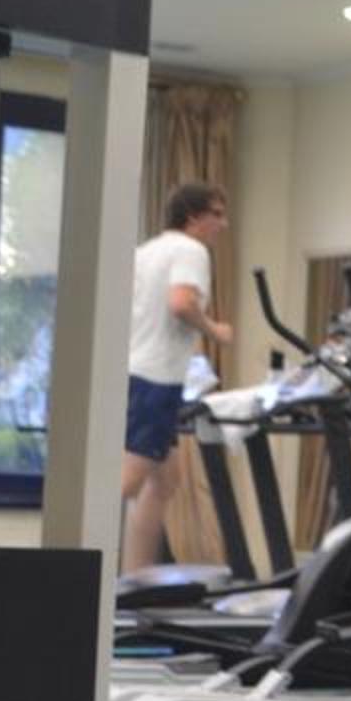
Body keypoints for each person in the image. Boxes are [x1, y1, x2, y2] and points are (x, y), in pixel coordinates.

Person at [122, 183, 233, 573]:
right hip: (156, 379)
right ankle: (78, 567)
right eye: (216, 214)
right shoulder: (191, 250)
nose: (223, 224)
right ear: (192, 217)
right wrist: (215, 330)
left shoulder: (146, 252)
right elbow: (182, 303)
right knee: (127, 482)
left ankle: (134, 576)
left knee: (167, 480)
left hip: (137, 373)